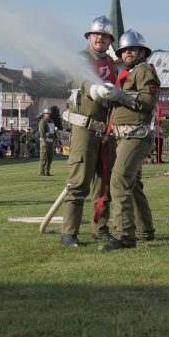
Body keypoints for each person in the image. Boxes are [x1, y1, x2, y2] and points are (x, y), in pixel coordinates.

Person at [59, 15, 127, 247]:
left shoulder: (111, 63)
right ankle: (69, 234)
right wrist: (94, 88)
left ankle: (100, 229)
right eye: (96, 34)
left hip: (107, 130)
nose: (100, 38)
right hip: (85, 127)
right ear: (89, 37)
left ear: (110, 40)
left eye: (105, 35)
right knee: (79, 181)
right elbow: (75, 78)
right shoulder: (80, 58)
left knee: (103, 184)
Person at [101, 28, 160, 251]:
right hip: (126, 135)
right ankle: (145, 230)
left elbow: (148, 100)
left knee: (119, 182)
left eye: (133, 49)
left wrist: (121, 96)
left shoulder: (144, 71)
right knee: (133, 186)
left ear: (142, 51)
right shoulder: (128, 74)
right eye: (124, 50)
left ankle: (125, 237)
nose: (128, 53)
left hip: (135, 135)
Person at [37, 109, 55, 176]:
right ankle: (42, 172)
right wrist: (43, 141)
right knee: (44, 158)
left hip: (50, 141)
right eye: (46, 113)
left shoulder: (51, 121)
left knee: (50, 158)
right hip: (45, 141)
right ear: (43, 114)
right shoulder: (42, 121)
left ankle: (47, 172)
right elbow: (42, 132)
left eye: (49, 114)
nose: (48, 115)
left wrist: (54, 139)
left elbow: (53, 131)